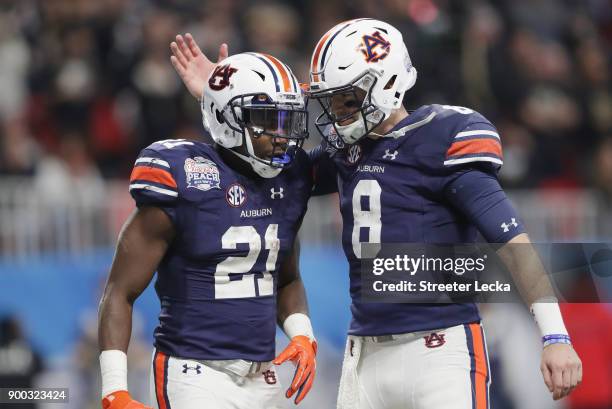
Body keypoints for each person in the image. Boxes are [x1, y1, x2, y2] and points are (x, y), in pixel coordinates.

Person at [171, 20, 582, 408]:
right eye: (330, 101)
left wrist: (555, 333)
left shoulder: (440, 139)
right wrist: (223, 99)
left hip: (439, 350)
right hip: (364, 352)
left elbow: (510, 239)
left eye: (346, 100)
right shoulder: (346, 153)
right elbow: (267, 167)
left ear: (386, 85)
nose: (335, 113)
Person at [98, 48, 317, 409]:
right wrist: (114, 389)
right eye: (268, 119)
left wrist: (302, 335)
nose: (282, 135)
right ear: (227, 119)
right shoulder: (186, 176)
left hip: (264, 375)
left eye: (287, 120)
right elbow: (119, 292)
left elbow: (287, 278)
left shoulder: (290, 180)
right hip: (195, 372)